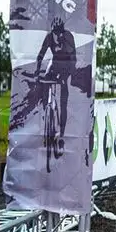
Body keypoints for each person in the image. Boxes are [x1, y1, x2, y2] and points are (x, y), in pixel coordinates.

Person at [35, 16, 76, 154]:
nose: (58, 35)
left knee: (63, 100)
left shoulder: (68, 37)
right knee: (45, 79)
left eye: (60, 32)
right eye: (56, 33)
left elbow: (73, 59)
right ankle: (45, 106)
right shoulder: (49, 37)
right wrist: (36, 71)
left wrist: (66, 76)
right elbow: (40, 55)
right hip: (55, 63)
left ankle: (62, 133)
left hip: (67, 64)